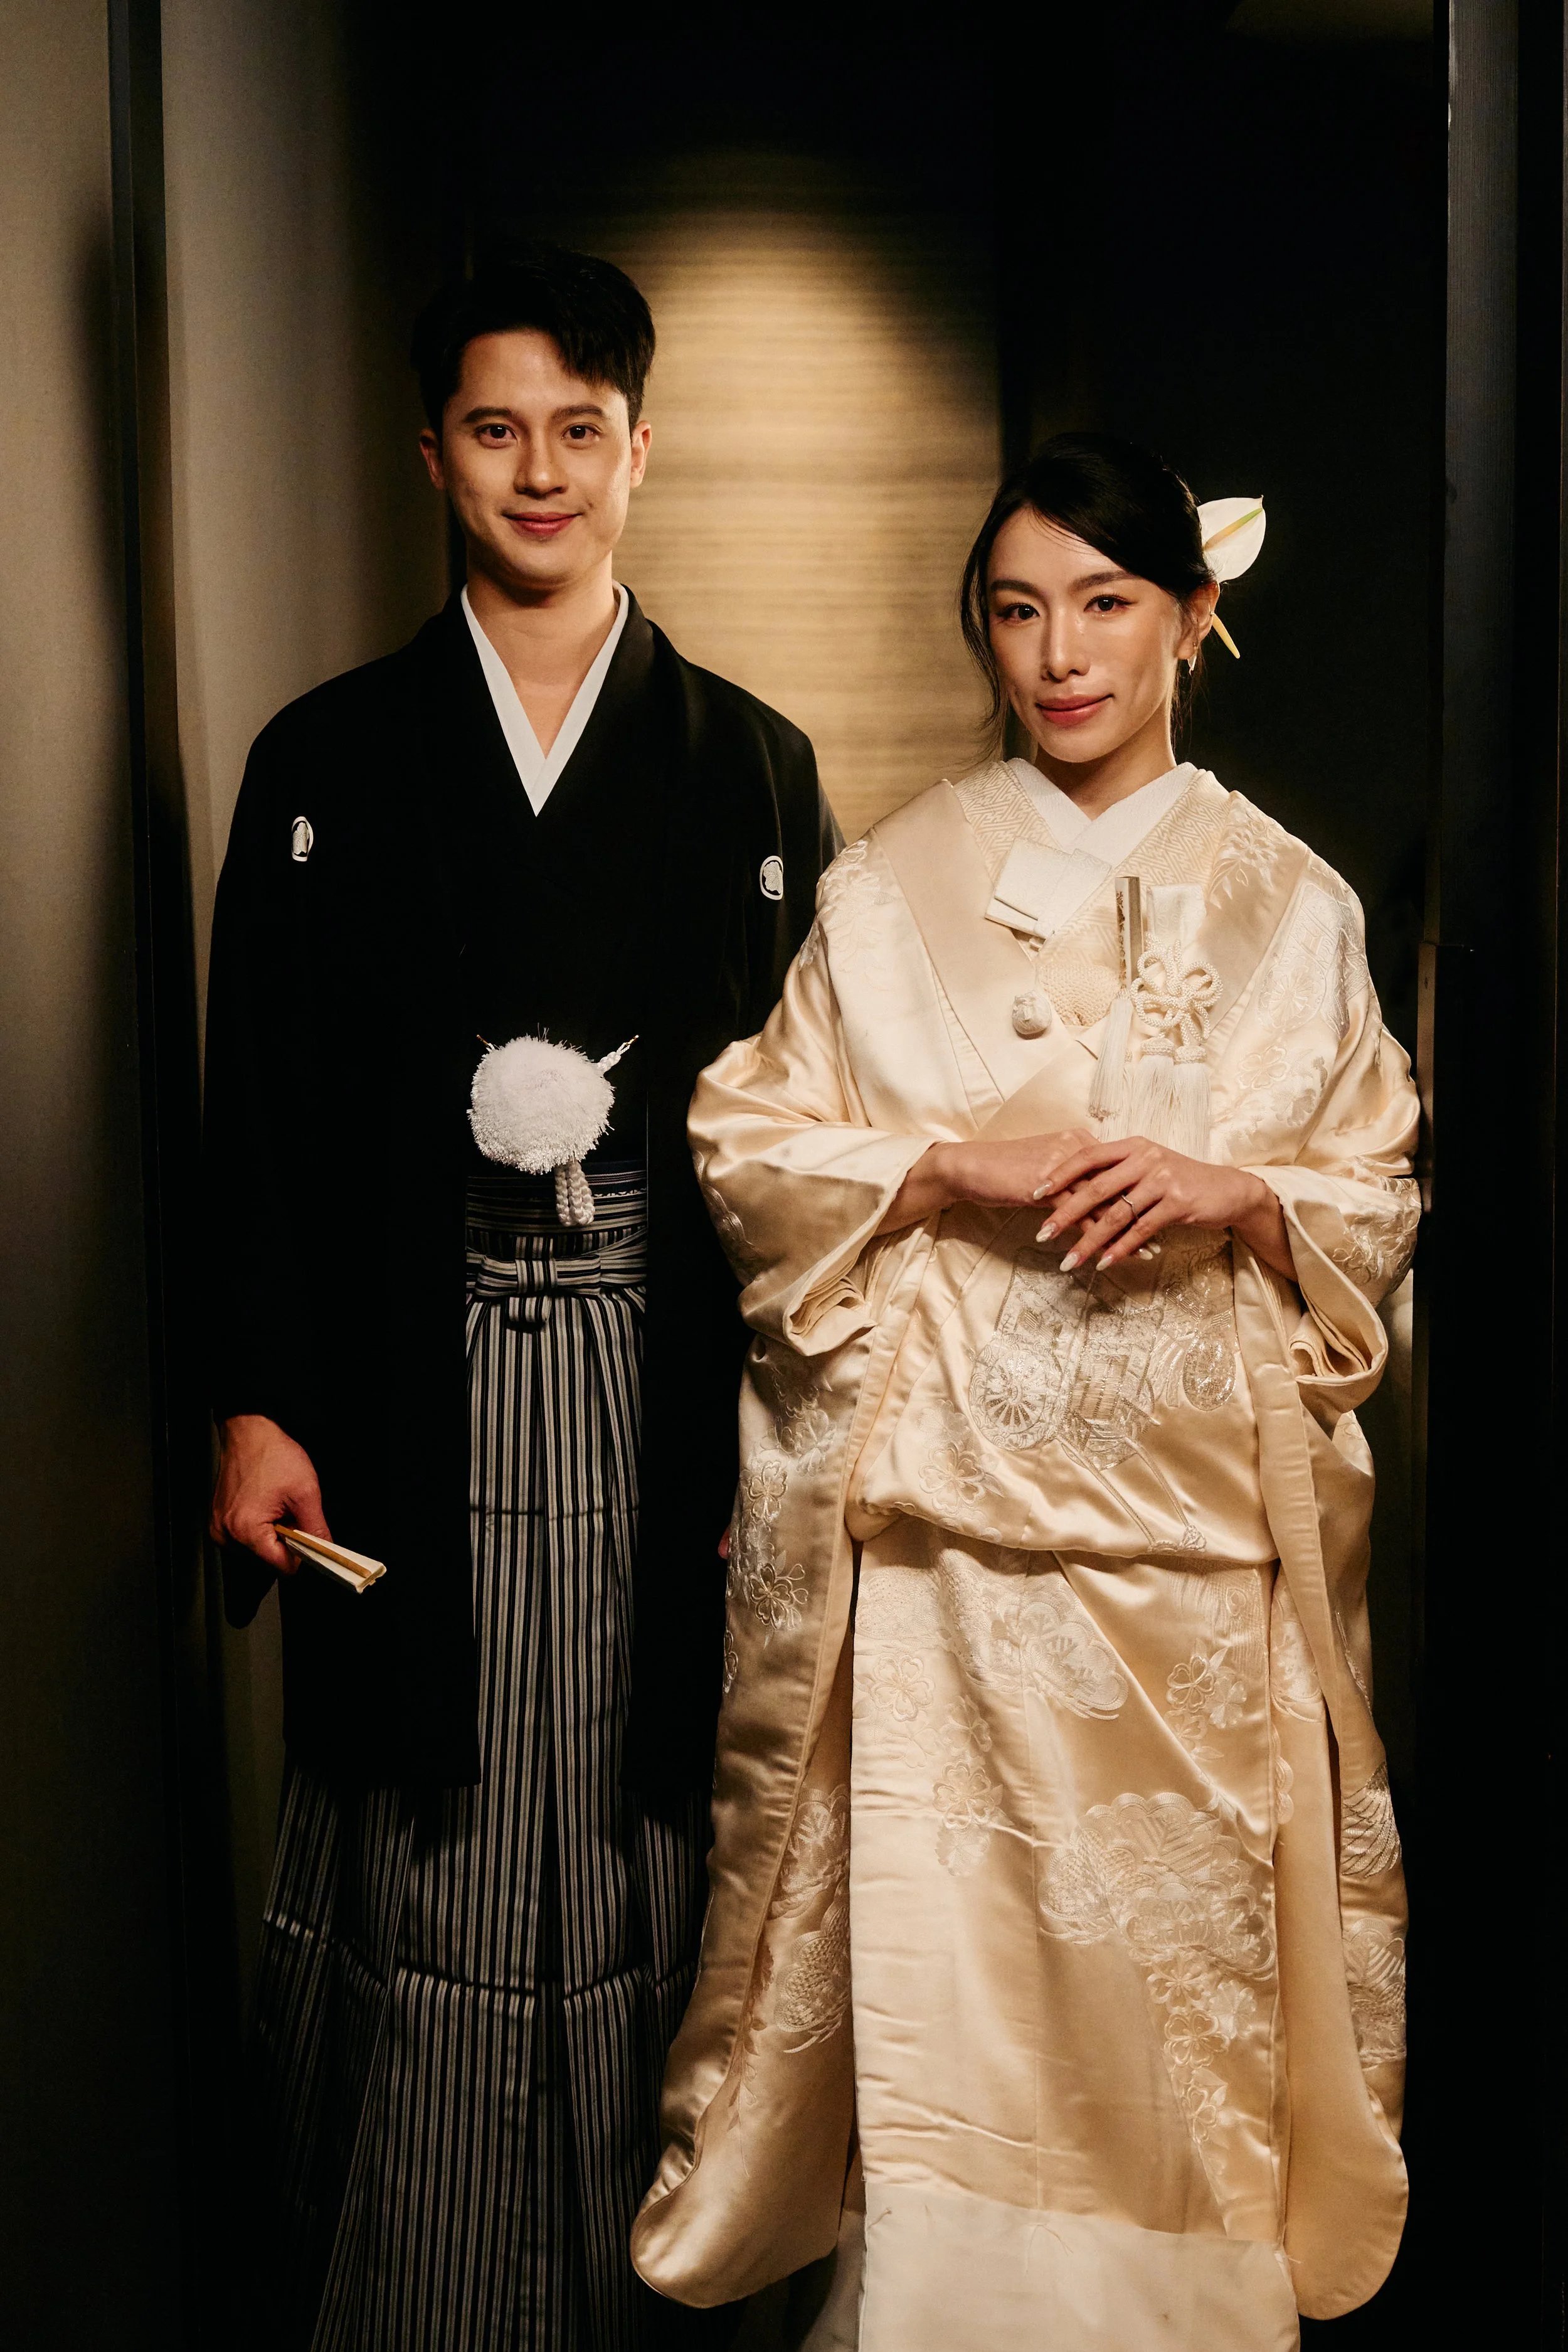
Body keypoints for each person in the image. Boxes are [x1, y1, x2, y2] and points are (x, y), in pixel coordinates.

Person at [632, 434, 1417, 2349]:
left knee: (1176, 2016)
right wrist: (934, 1164)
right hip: (951, 1563)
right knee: (953, 2007)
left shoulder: (1287, 904)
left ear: (1189, 620)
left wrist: (1242, 1195)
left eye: (1104, 604)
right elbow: (744, 1132)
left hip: (1186, 1556)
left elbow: (1375, 1182)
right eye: (1015, 609)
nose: (1058, 652)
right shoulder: (897, 876)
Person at [203, 242, 837, 2351]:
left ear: (641, 452)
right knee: (431, 1805)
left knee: (645, 1814)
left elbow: (799, 1143)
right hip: (408, 1374)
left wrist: (781, 1432)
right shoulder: (324, 760)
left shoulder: (745, 768)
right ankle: (427, 2288)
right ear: (432, 454)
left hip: (659, 1385)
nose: (539, 470)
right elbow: (261, 1113)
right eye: (497, 429)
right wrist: (260, 1399)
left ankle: (649, 2289)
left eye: (581, 429)